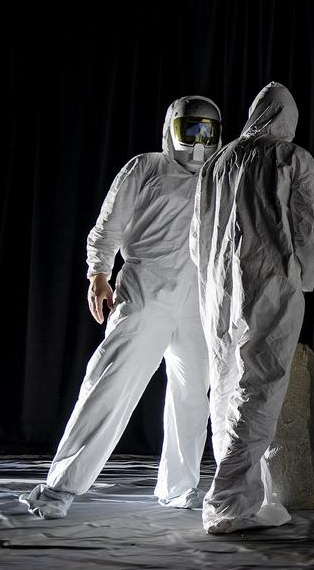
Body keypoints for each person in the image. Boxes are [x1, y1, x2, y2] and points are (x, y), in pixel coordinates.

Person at [21, 96, 223, 519]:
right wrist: (98, 274)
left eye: (207, 130)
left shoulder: (220, 175)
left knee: (192, 395)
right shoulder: (146, 168)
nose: (200, 140)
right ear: (172, 127)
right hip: (145, 287)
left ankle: (179, 486)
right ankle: (60, 487)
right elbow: (107, 226)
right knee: (110, 385)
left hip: (198, 295)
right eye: (192, 129)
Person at [192, 82, 314, 535]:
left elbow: (197, 238)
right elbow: (309, 230)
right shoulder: (291, 159)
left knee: (226, 385)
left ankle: (247, 494)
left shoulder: (217, 163)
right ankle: (231, 502)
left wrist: (214, 276)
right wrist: (304, 277)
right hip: (269, 283)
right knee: (261, 386)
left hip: (217, 288)